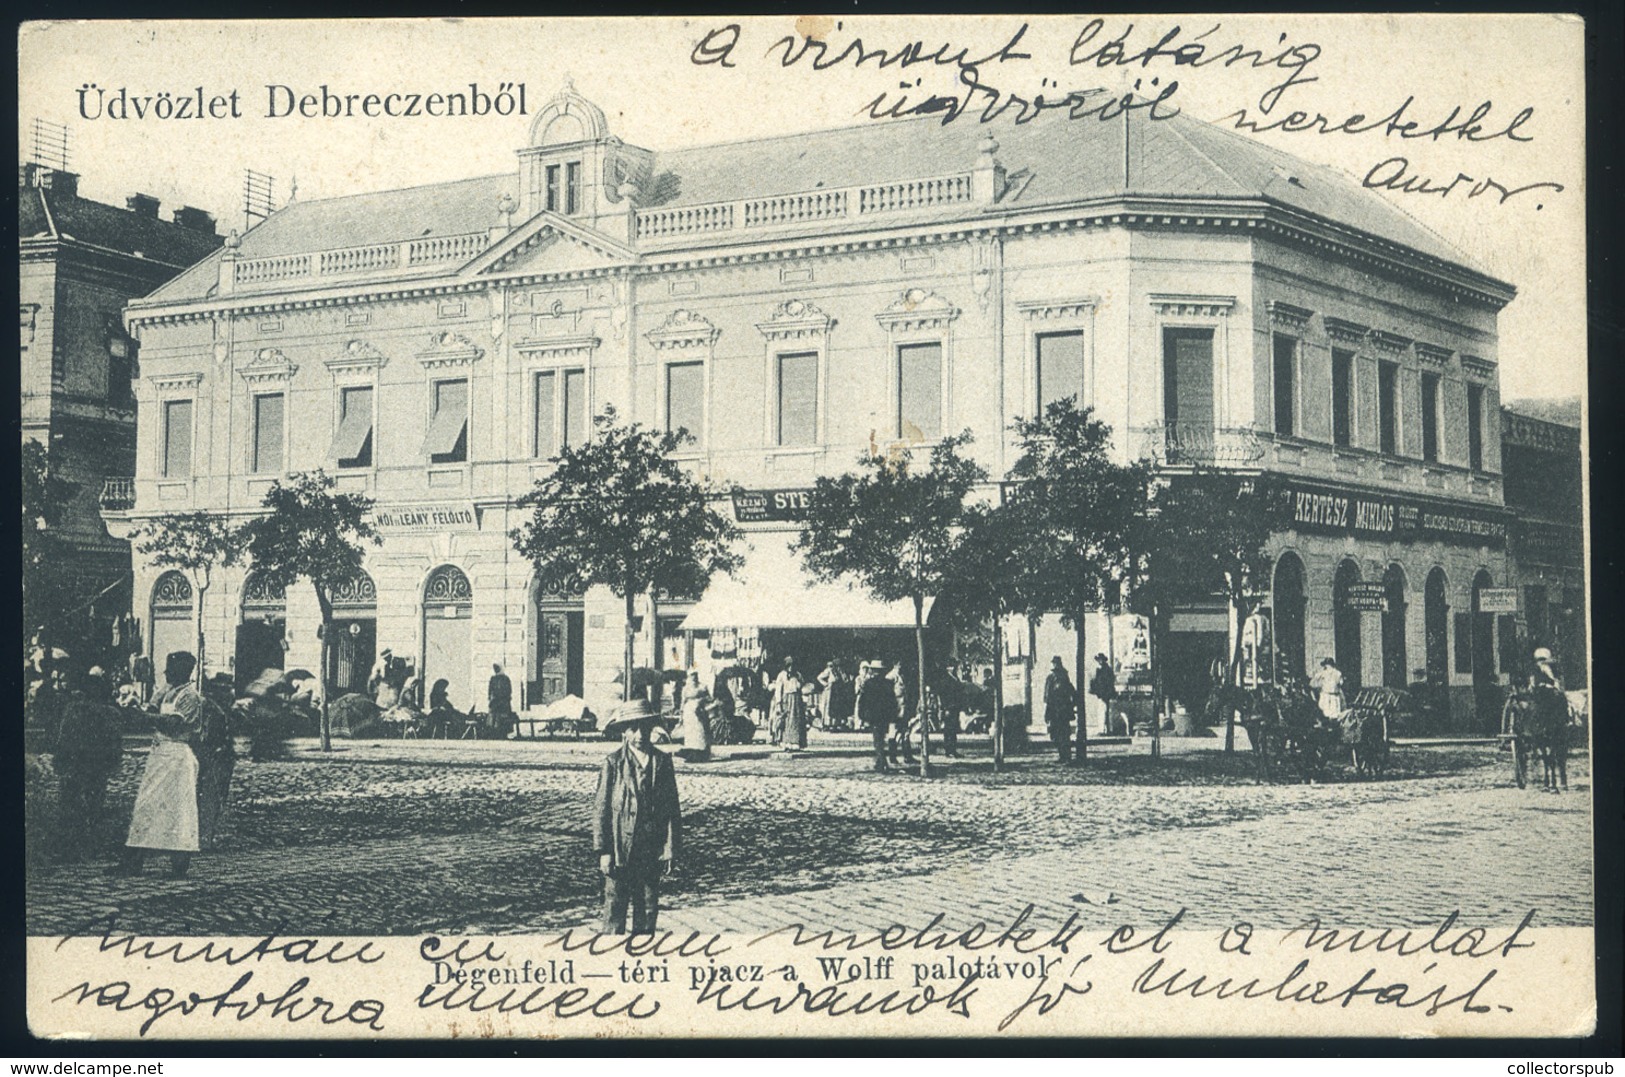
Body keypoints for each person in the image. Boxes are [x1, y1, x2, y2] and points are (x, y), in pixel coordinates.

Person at [592, 698, 682, 935]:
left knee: (648, 906)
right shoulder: (613, 763)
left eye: (644, 727)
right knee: (615, 906)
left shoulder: (662, 762)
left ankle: (642, 953)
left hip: (650, 849)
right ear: (624, 732)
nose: (639, 734)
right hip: (621, 847)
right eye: (633, 728)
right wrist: (604, 851)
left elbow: (671, 808)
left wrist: (669, 848)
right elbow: (601, 810)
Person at [112, 651, 203, 879]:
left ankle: (179, 865)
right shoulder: (166, 691)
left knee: (179, 811)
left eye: (172, 670)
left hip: (178, 756)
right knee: (146, 807)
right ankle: (133, 862)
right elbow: (151, 710)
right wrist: (136, 711)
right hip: (160, 755)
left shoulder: (190, 696)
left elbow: (173, 724)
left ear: (185, 671)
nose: (167, 673)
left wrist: (145, 717)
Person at [52, 667, 125, 860]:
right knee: (94, 804)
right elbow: (115, 743)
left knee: (71, 802)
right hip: (97, 766)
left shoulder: (74, 709)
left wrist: (59, 759)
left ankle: (69, 847)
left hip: (76, 764)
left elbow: (64, 736)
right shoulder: (111, 713)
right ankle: (90, 845)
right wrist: (113, 763)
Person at [196, 674, 237, 851]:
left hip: (219, 757)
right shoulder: (213, 710)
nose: (229, 693)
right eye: (225, 690)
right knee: (211, 798)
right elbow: (207, 736)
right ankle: (204, 839)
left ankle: (204, 837)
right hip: (214, 758)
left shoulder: (221, 709)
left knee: (214, 798)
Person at [856, 661, 899, 773]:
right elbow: (893, 701)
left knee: (877, 739)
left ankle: (882, 762)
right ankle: (880, 762)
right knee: (881, 737)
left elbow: (863, 701)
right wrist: (893, 714)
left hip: (873, 715)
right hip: (885, 715)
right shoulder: (888, 683)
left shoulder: (868, 683)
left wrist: (862, 714)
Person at [1044, 657, 1076, 764]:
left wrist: (1071, 705)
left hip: (1062, 711)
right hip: (1054, 710)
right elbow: (1047, 697)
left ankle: (1066, 756)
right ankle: (1062, 755)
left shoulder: (1064, 679)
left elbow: (1071, 692)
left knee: (1064, 734)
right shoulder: (1050, 678)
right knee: (1055, 735)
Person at [887, 662, 919, 767]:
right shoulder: (891, 677)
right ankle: (892, 756)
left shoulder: (902, 676)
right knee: (894, 733)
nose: (901, 666)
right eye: (898, 664)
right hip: (894, 710)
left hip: (904, 709)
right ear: (894, 665)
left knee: (905, 733)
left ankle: (907, 756)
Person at [772, 658, 807, 751]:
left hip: (797, 700)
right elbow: (778, 690)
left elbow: (802, 685)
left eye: (792, 665)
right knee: (787, 721)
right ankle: (786, 742)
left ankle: (796, 742)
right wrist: (779, 703)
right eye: (789, 665)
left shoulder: (798, 675)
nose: (791, 668)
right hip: (786, 700)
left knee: (797, 721)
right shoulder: (782, 675)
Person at [678, 672, 712, 762]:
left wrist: (701, 700)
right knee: (690, 733)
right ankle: (691, 753)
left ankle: (701, 753)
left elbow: (709, 698)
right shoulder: (686, 688)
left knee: (700, 731)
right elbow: (683, 701)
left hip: (699, 712)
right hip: (689, 712)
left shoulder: (702, 686)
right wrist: (681, 715)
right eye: (691, 676)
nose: (693, 678)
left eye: (695, 676)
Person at [937, 663, 964, 759]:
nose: (953, 668)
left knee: (953, 729)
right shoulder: (946, 679)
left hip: (954, 707)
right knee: (949, 729)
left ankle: (953, 749)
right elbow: (943, 695)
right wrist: (945, 708)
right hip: (949, 707)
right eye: (951, 666)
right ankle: (949, 750)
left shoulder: (954, 678)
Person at [1088, 653, 1118, 735]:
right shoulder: (1103, 670)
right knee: (1104, 711)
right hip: (1102, 694)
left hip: (1104, 694)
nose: (1099, 661)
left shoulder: (1104, 670)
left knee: (1104, 711)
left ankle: (1104, 729)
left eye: (1100, 660)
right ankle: (1105, 729)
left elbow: (1107, 683)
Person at [488, 663, 515, 736]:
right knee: (504, 718)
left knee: (495, 719)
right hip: (504, 703)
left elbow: (490, 692)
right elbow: (509, 691)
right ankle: (503, 733)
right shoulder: (506, 679)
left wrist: (491, 700)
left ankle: (494, 732)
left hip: (495, 703)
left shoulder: (493, 679)